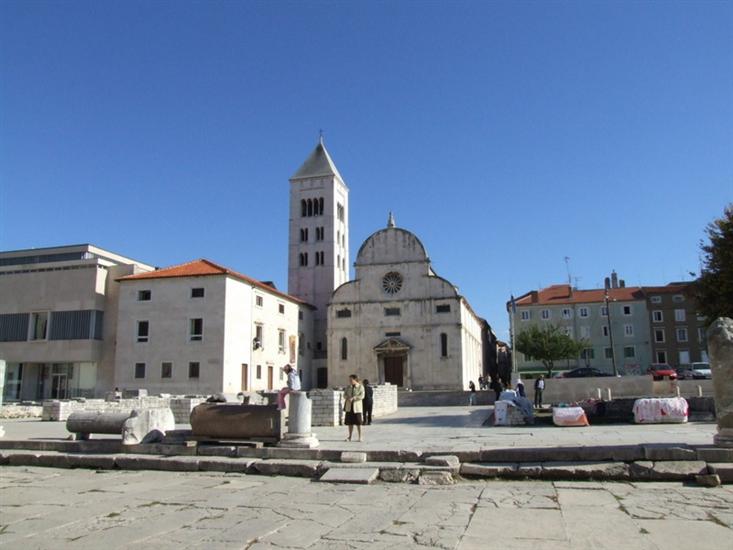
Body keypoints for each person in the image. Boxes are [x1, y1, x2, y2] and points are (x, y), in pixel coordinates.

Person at [343, 374, 365, 441]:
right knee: (350, 423)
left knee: (359, 423)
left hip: (357, 408)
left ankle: (360, 437)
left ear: (355, 380)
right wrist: (348, 397)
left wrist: (354, 398)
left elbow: (362, 396)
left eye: (351, 379)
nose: (350, 381)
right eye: (349, 379)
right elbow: (344, 395)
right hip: (349, 407)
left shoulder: (360, 387)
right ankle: (350, 437)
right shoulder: (348, 387)